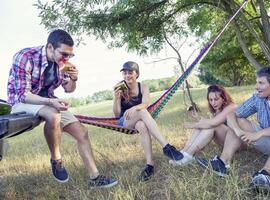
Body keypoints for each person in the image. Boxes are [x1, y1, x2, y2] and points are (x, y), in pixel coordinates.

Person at [7, 29, 118, 188]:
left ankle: (95, 178)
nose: (66, 59)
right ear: (50, 47)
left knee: (82, 133)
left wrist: (74, 79)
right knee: (53, 115)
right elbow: (23, 95)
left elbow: (69, 89)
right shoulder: (25, 57)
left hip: (48, 101)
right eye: (64, 54)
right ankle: (56, 160)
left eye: (70, 55)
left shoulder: (63, 65)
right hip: (22, 100)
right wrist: (51, 102)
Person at [196, 67, 270, 193]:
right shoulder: (258, 98)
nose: (256, 86)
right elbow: (231, 115)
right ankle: (223, 163)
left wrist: (259, 133)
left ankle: (265, 173)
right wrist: (237, 130)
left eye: (261, 83)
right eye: (257, 82)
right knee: (238, 121)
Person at [113, 61, 183, 181]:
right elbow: (116, 114)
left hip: (139, 120)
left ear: (137, 74)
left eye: (130, 72)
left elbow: (145, 103)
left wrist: (135, 107)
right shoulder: (119, 88)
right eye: (124, 73)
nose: (127, 75)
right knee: (143, 111)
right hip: (125, 121)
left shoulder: (143, 87)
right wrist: (116, 98)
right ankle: (166, 146)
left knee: (141, 125)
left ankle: (149, 166)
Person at [169, 85, 236, 168]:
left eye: (216, 99)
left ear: (224, 98)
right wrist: (198, 118)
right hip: (225, 142)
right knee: (202, 126)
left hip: (236, 143)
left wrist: (193, 125)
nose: (213, 103)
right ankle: (184, 152)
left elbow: (213, 123)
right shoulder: (217, 109)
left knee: (211, 125)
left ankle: (188, 156)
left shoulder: (231, 107)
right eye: (210, 100)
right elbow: (209, 122)